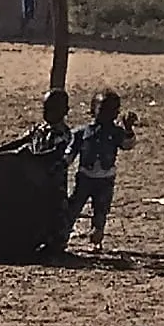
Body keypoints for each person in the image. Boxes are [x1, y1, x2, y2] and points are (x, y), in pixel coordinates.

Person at [67, 88, 136, 254]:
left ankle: (96, 239)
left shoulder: (116, 133)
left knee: (101, 210)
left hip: (105, 178)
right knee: (74, 207)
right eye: (102, 110)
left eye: (112, 111)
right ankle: (63, 235)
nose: (107, 115)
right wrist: (63, 163)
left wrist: (128, 129)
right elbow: (71, 151)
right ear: (92, 111)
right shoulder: (82, 133)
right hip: (85, 176)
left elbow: (128, 144)